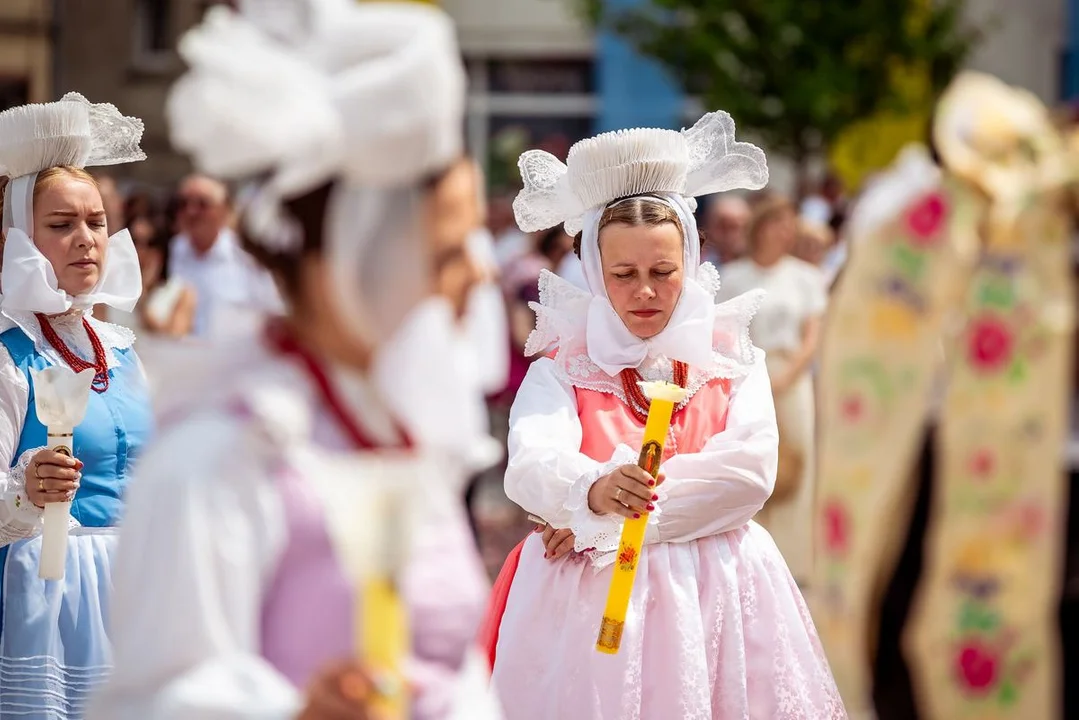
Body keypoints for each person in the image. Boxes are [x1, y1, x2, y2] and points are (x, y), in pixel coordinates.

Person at [89, 2, 503, 719]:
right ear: (353, 257)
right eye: (445, 249)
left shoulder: (402, 436)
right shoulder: (223, 455)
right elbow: (152, 698)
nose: (478, 274)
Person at [482, 112, 845, 718]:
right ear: (596, 272)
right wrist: (593, 488)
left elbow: (748, 474)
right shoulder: (563, 368)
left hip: (719, 594)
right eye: (623, 275)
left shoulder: (730, 360)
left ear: (691, 259)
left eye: (663, 272)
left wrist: (602, 521)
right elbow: (532, 461)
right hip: (590, 603)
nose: (645, 292)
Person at [0, 92, 150, 718]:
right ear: (19, 237)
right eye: (61, 225)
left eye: (95, 221)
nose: (86, 240)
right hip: (45, 596)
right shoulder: (9, 355)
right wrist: (26, 490)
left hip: (131, 592)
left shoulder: (119, 350)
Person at [716, 196, 827, 585]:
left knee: (800, 462)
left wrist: (788, 375)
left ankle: (795, 560)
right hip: (747, 374)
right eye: (777, 223)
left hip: (792, 378)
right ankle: (751, 558)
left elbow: (812, 336)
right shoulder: (734, 276)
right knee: (754, 460)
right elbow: (724, 333)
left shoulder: (805, 276)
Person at [168, 173, 281, 337]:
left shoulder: (247, 255)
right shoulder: (175, 249)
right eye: (183, 203)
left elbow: (274, 313)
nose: (191, 211)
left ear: (224, 210)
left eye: (203, 204)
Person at [700, 193, 751, 266]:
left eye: (734, 227)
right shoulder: (698, 265)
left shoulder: (761, 265)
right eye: (723, 227)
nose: (729, 235)